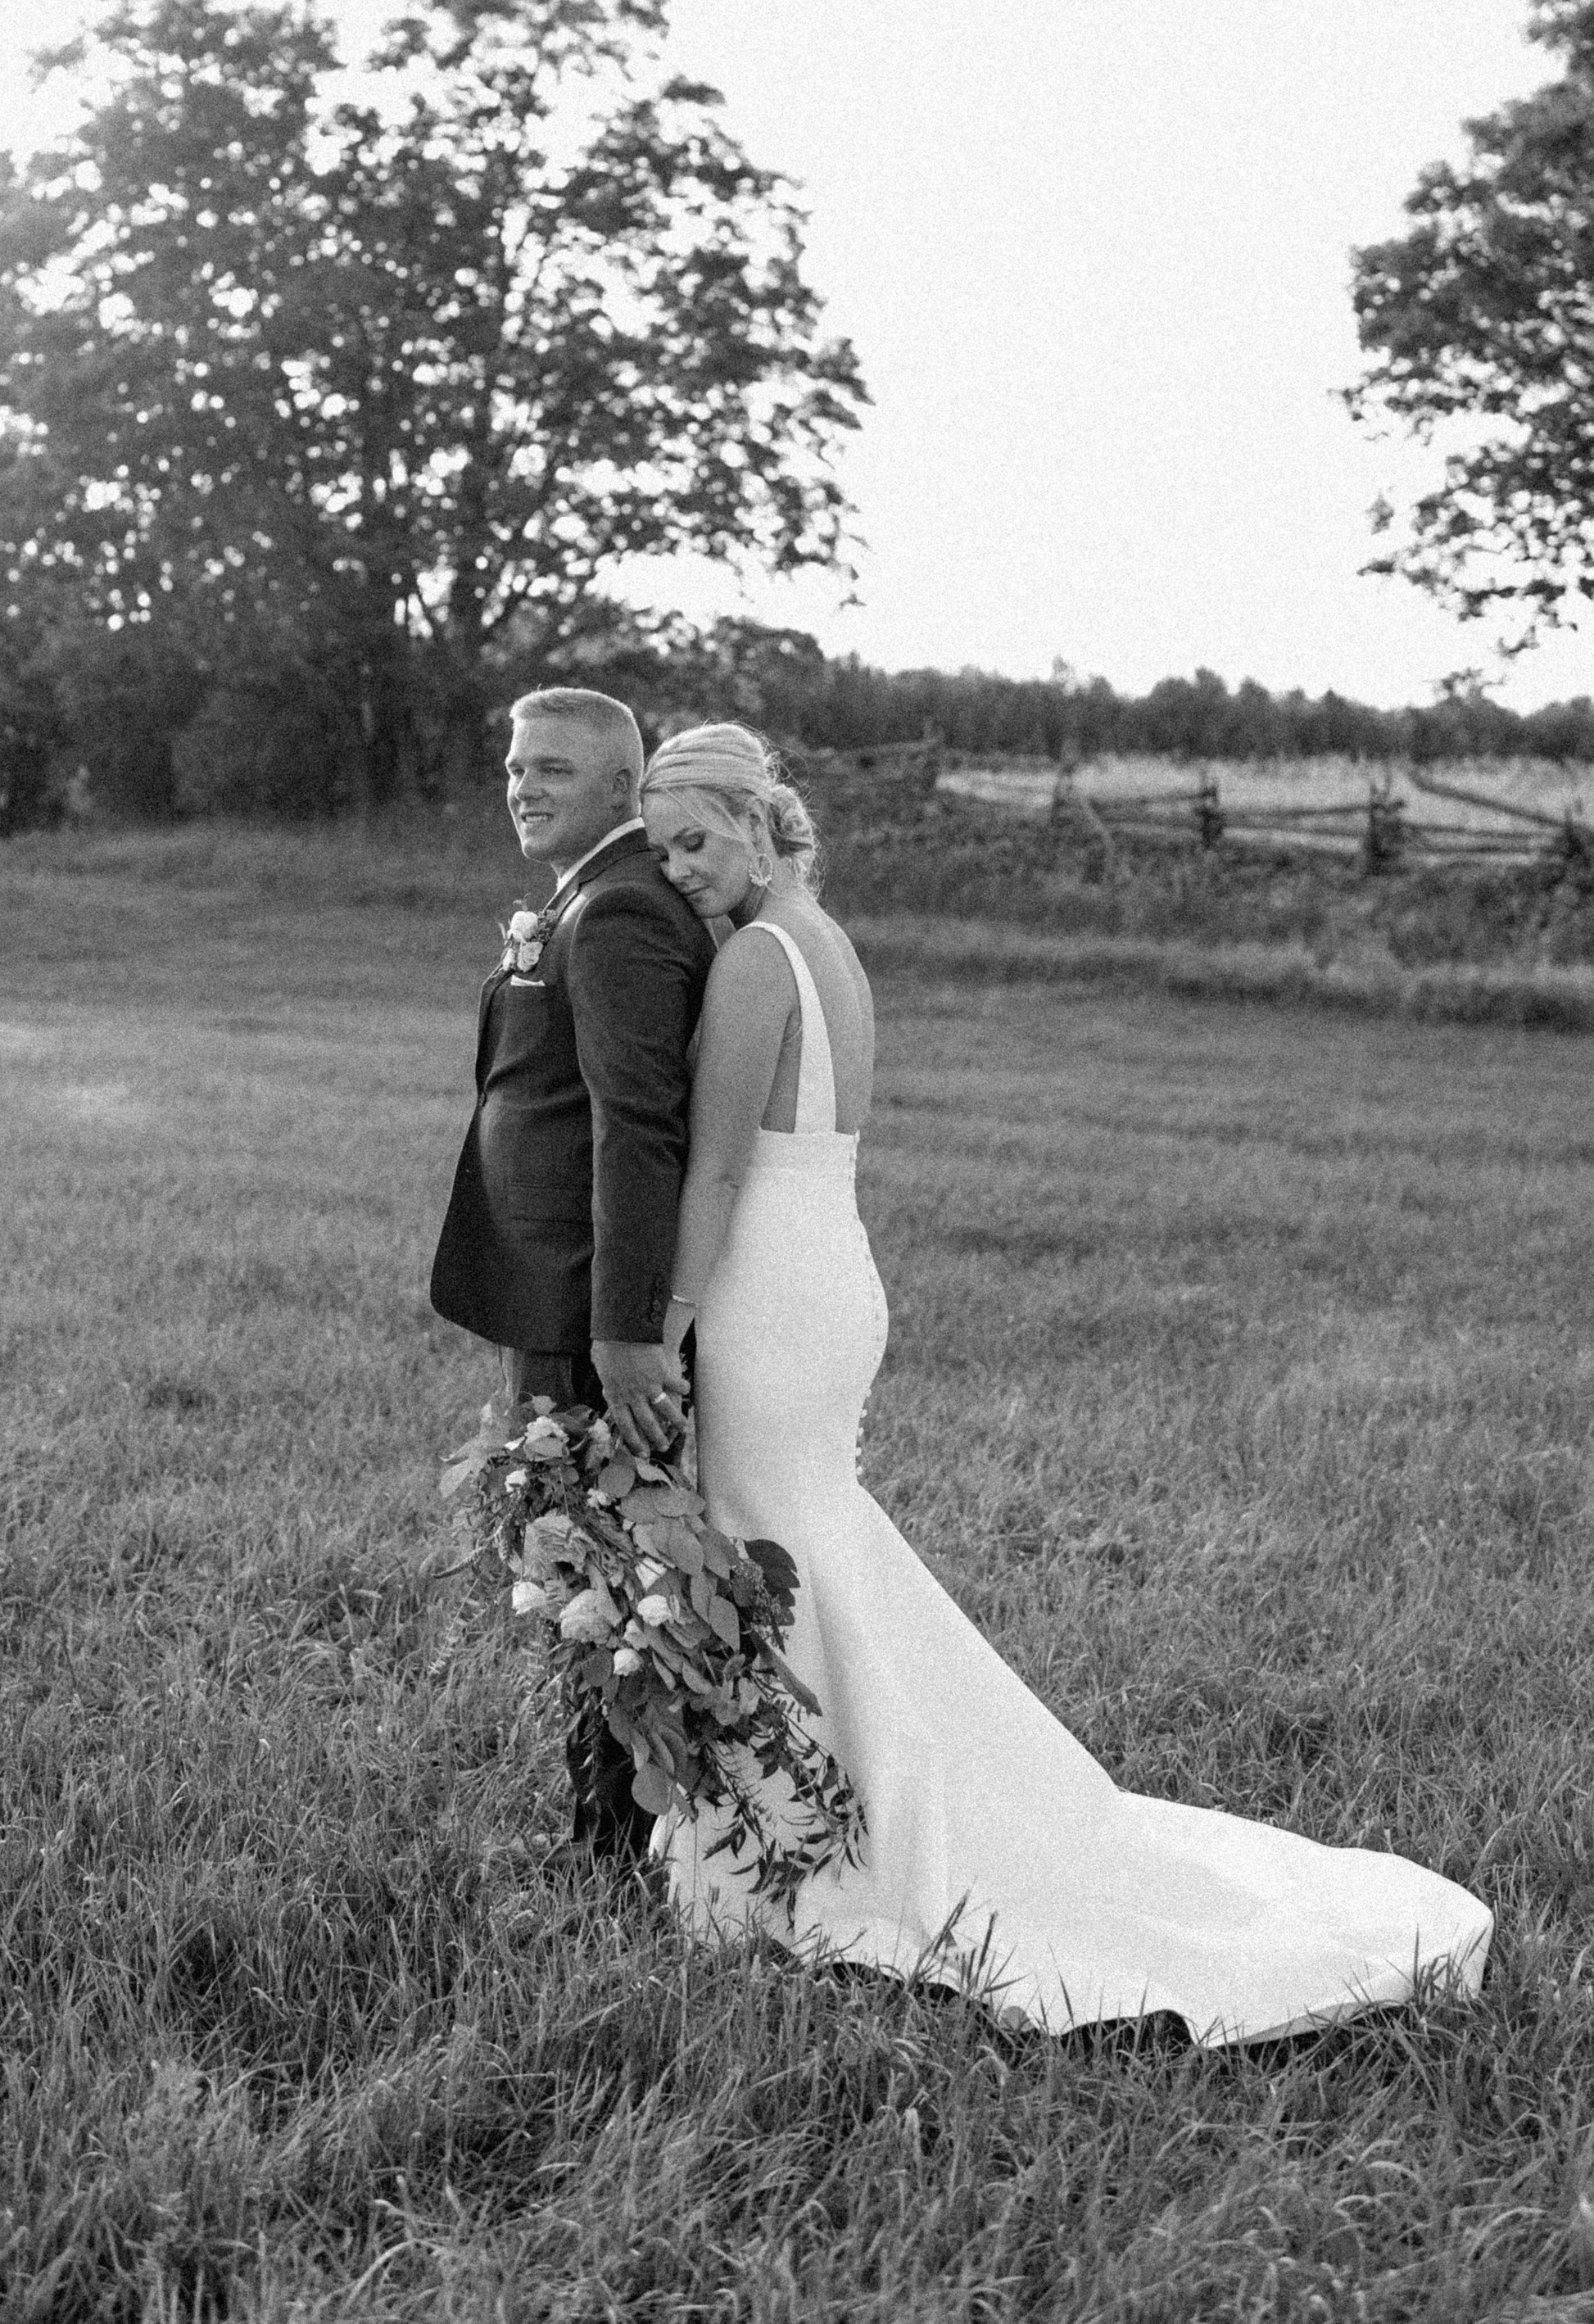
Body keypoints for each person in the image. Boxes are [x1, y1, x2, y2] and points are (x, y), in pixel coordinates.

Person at [638, 720, 1492, 2045]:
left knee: (770, 1546)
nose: (678, 867)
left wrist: (667, 1316)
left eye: (695, 839)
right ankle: (829, 1815)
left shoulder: (757, 958)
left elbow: (712, 1170)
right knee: (807, 1544)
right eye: (660, 848)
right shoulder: (829, 941)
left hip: (766, 1290)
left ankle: (836, 1844)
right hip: (829, 1266)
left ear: (760, 822)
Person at [432, 685, 713, 1863]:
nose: (522, 784)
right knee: (577, 1563)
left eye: (551, 766)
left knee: (598, 1571)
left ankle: (612, 1850)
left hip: (584, 1304)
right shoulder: (585, 897)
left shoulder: (619, 913)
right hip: (550, 1287)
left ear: (619, 787)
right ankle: (610, 1831)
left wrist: (623, 1329)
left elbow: (636, 1127)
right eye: (512, 764)